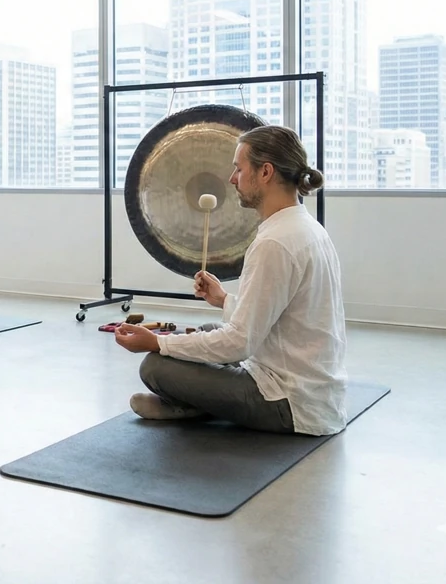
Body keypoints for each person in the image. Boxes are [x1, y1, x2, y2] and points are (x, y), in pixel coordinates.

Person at [114, 125, 347, 436]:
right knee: (209, 331)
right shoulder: (306, 228)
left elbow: (239, 343)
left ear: (265, 172)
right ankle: (196, 404)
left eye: (238, 168)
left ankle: (192, 405)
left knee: (157, 366)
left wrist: (157, 341)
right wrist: (224, 300)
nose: (231, 178)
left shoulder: (274, 243)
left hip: (288, 402)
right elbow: (279, 315)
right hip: (315, 392)